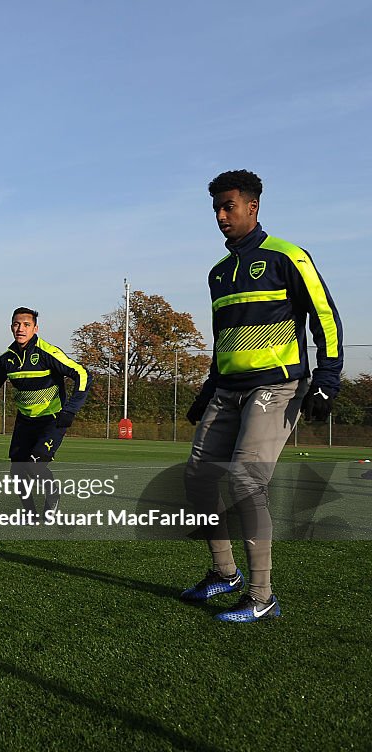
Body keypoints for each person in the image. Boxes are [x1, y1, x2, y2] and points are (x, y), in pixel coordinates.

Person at [180, 170, 343, 623]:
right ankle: (223, 573)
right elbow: (224, 341)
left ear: (252, 206)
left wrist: (328, 380)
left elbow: (324, 316)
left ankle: (262, 595)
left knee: (245, 481)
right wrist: (207, 389)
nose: (220, 216)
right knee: (198, 478)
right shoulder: (219, 273)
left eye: (228, 206)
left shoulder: (287, 256)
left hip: (276, 386)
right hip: (226, 390)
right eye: (215, 208)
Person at [0, 307, 91, 514]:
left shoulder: (48, 353)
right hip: (25, 421)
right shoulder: (7, 359)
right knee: (17, 473)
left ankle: (53, 495)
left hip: (51, 420)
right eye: (17, 324)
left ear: (35, 328)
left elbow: (83, 374)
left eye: (26, 325)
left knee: (34, 466)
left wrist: (70, 410)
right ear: (11, 327)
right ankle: (30, 514)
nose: (21, 328)